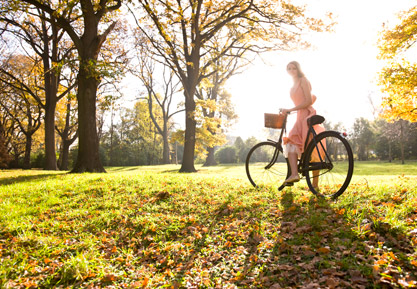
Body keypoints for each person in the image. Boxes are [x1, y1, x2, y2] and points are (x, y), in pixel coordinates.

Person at [280, 61, 324, 186]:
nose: (291, 70)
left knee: (299, 142)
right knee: (298, 143)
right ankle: (302, 178)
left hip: (306, 115)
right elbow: (308, 98)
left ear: (298, 69)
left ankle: (299, 176)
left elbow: (309, 100)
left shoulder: (303, 80)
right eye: (289, 68)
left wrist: (291, 109)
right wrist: (288, 110)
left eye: (294, 68)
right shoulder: (291, 86)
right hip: (300, 115)